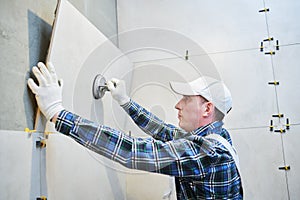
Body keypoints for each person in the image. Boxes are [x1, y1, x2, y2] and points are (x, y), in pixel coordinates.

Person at [28, 62, 243, 199]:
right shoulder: (216, 137)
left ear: (207, 109)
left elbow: (132, 152)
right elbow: (164, 131)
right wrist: (125, 101)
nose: (178, 105)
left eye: (186, 99)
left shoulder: (208, 152)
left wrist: (58, 113)